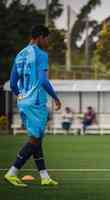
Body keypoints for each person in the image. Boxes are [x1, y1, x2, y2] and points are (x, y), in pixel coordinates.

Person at [4, 25, 61, 187]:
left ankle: (44, 176)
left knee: (37, 139)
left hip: (23, 101)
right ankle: (12, 172)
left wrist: (21, 95)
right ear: (41, 37)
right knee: (35, 140)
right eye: (47, 38)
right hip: (36, 102)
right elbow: (43, 81)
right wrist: (56, 98)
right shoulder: (41, 54)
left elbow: (13, 81)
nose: (48, 42)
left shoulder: (21, 54)